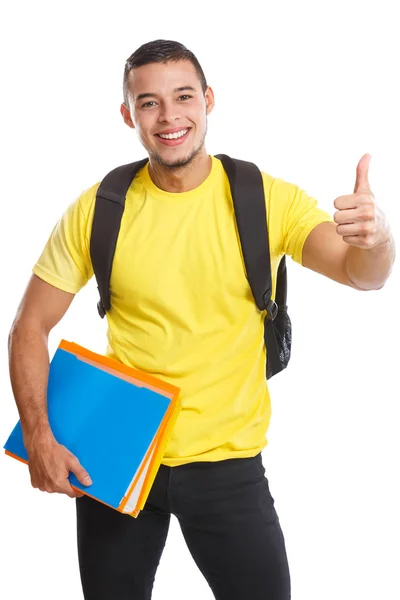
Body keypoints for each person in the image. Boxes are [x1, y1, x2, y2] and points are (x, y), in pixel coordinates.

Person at [8, 39, 395, 600]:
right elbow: (28, 326)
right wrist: (40, 436)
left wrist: (378, 240)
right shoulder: (101, 207)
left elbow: (364, 275)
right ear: (128, 114)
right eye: (148, 102)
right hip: (117, 454)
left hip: (227, 463)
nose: (169, 117)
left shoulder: (262, 198)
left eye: (183, 96)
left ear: (208, 100)